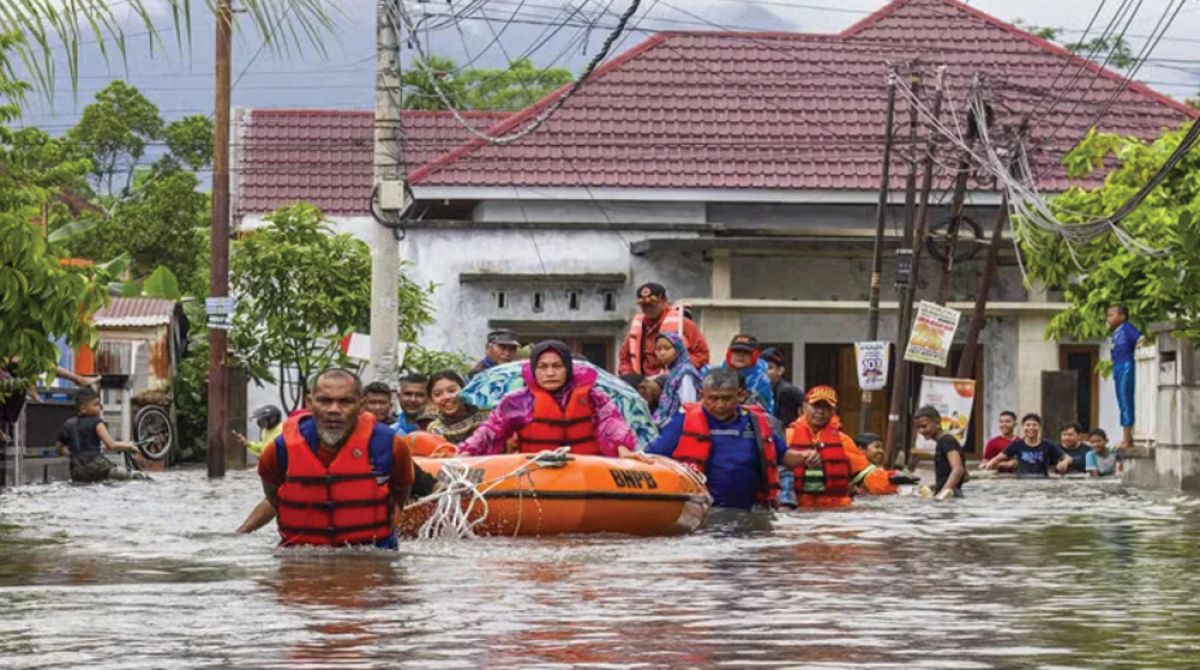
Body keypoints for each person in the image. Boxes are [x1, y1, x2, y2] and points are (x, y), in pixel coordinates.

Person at [246, 368, 414, 548]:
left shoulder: (392, 446)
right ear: (309, 403)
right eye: (324, 401)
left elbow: (401, 493)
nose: (334, 410)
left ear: (361, 405)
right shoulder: (280, 450)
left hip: (373, 555)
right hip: (300, 559)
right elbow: (274, 497)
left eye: (346, 402)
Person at [648, 368, 797, 510]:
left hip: (751, 510)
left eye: (726, 398)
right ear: (702, 395)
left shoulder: (756, 423)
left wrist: (806, 457)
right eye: (713, 398)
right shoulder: (683, 422)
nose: (720, 405)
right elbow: (653, 457)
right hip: (703, 510)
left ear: (739, 395)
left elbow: (782, 455)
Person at [458, 340, 638, 457]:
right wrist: (466, 451)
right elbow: (491, 430)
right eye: (543, 367)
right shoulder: (517, 401)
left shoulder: (593, 397)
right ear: (534, 370)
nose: (550, 373)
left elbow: (611, 422)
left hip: (589, 472)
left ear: (567, 368)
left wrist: (622, 447)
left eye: (557, 366)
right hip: (538, 473)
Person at [786, 386, 908, 507]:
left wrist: (892, 480)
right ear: (803, 407)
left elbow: (866, 476)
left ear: (833, 411)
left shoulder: (843, 441)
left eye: (826, 407)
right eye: (816, 406)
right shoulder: (787, 437)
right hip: (797, 508)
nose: (820, 411)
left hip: (836, 510)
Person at [619, 282, 709, 376]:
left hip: (673, 378)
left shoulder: (683, 323)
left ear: (664, 301)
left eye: (652, 305)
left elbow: (702, 354)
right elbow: (625, 357)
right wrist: (628, 373)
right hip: (643, 380)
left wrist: (680, 369)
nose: (648, 309)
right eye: (644, 305)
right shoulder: (637, 327)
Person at [56, 388, 140, 482]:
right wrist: (129, 447)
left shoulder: (68, 424)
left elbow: (59, 448)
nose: (100, 407)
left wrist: (74, 455)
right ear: (83, 408)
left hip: (77, 470)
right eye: (95, 404)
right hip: (98, 467)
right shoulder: (97, 422)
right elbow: (111, 445)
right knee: (134, 476)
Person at [981, 413, 1072, 477]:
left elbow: (1068, 458)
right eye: (1028, 425)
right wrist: (990, 464)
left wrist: (1064, 463)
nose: (1031, 428)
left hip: (1043, 480)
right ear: (1023, 427)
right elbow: (998, 458)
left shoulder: (1047, 444)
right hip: (1022, 481)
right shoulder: (1017, 444)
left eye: (1034, 425)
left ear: (1039, 427)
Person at [425, 370, 491, 445]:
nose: (446, 397)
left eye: (451, 390)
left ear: (464, 389)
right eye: (438, 394)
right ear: (431, 400)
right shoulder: (435, 429)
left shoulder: (488, 416)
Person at [914, 405, 966, 500]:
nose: (921, 430)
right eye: (918, 427)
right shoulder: (942, 442)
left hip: (950, 496)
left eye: (924, 426)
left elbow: (958, 469)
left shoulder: (946, 441)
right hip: (951, 494)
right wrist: (934, 489)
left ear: (937, 423)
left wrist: (943, 493)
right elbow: (965, 476)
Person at [651, 332, 703, 427]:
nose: (662, 353)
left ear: (678, 349)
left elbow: (688, 406)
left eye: (667, 348)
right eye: (658, 349)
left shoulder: (685, 373)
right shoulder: (673, 372)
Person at [1108, 305, 1141, 450]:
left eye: (1110, 315)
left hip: (1126, 365)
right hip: (1118, 366)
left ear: (1121, 316)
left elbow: (1140, 339)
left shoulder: (1127, 328)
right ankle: (1126, 436)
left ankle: (1127, 438)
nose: (1107, 318)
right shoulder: (1116, 332)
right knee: (1121, 401)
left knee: (1126, 400)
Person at [722, 334, 775, 415]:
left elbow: (762, 413)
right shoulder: (718, 373)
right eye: (736, 351)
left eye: (746, 352)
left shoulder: (762, 381)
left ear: (755, 355)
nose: (740, 355)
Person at [761, 347, 804, 427]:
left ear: (780, 371)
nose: (764, 372)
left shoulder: (786, 390)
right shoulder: (760, 389)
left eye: (769, 368)